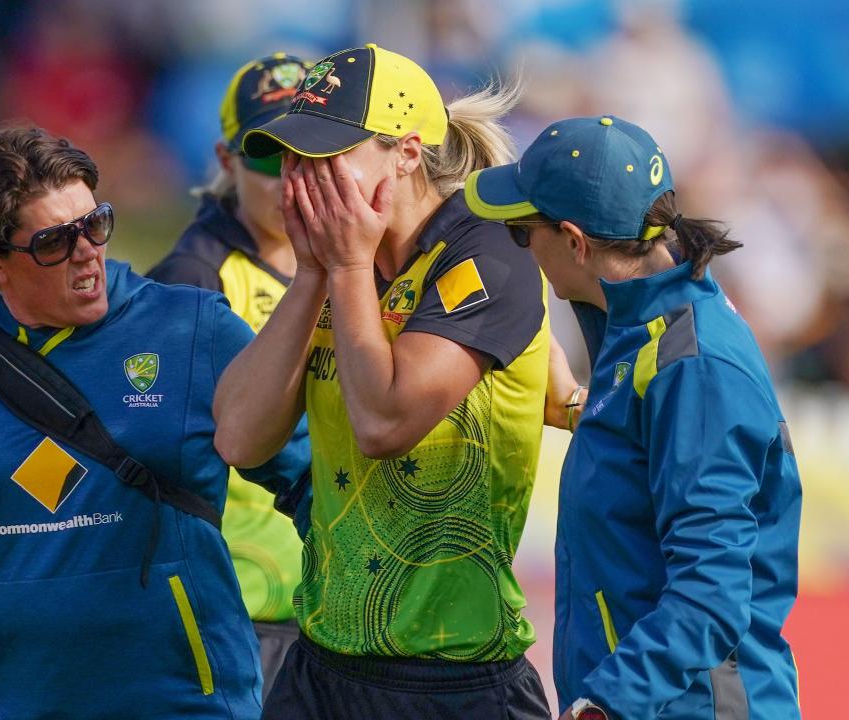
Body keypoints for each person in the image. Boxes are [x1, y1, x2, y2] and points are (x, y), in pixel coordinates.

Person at [0, 125, 310, 719]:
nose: (87, 251)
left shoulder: (194, 329)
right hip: (6, 707)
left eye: (95, 224)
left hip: (188, 704)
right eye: (56, 241)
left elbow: (312, 483)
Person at [213, 43, 553, 719]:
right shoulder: (341, 261)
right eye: (289, 155)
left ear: (405, 152)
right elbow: (240, 438)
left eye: (325, 153)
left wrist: (341, 269)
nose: (298, 177)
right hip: (319, 664)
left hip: (453, 679)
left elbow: (384, 424)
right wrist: (313, 275)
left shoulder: (487, 253)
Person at [465, 115, 803, 719]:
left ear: (574, 242)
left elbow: (712, 593)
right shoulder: (647, 324)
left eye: (522, 232)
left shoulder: (691, 366)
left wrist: (604, 706)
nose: (521, 248)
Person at [148, 51, 310, 700]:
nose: (293, 178)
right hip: (243, 616)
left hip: (341, 606)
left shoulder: (358, 263)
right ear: (225, 161)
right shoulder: (193, 282)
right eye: (270, 156)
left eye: (312, 153)